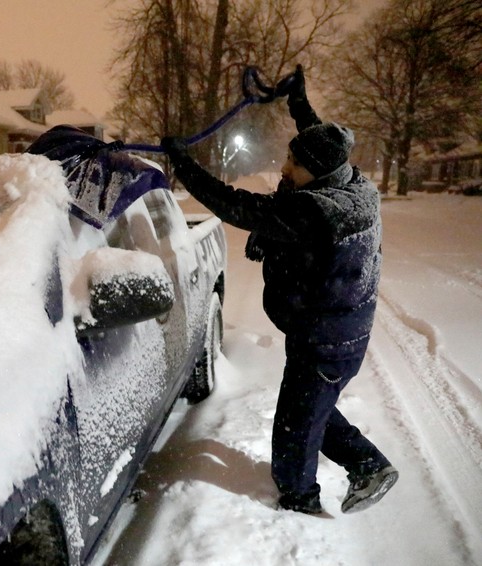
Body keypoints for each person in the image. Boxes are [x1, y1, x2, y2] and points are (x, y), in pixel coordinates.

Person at [160, 65, 398, 515]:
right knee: (312, 413)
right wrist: (298, 101)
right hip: (333, 331)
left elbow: (237, 205)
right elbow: (320, 142)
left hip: (326, 341)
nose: (284, 167)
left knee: (295, 427)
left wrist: (182, 163)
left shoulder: (322, 212)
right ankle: (369, 464)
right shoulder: (352, 182)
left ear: (317, 173)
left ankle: (299, 501)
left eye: (293, 164)